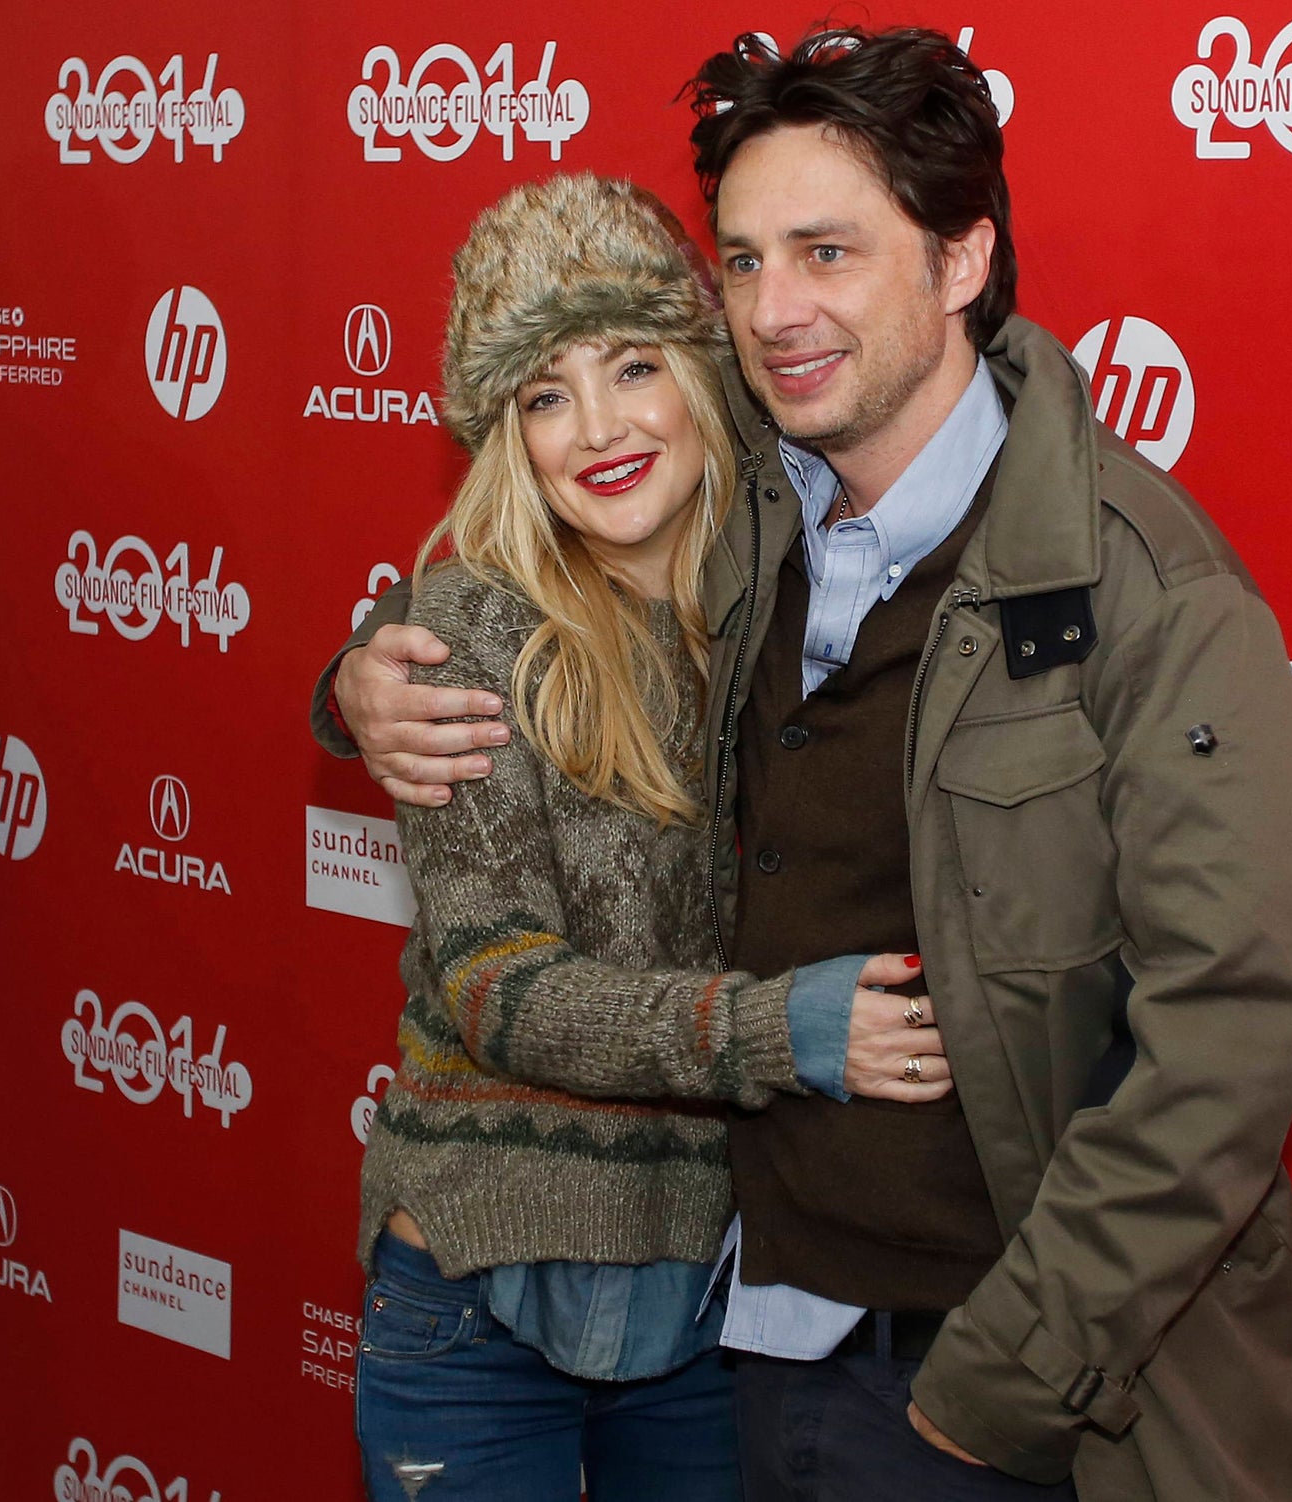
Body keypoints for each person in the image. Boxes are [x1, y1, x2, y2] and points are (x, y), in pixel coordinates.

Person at [318, 28, 1292, 1502]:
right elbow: (518, 572)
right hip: (740, 1358)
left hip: (994, 1395)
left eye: (825, 251)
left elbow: (1229, 1032)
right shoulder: (759, 514)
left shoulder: (1142, 588)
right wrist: (363, 676)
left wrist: (1000, 1380)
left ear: (961, 258)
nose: (776, 310)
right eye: (740, 262)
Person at [352, 173, 959, 1502]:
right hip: (476, 1289)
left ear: (705, 373)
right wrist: (779, 1030)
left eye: (633, 365)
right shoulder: (471, 627)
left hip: (711, 1298)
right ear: (506, 436)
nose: (600, 428)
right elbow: (494, 984)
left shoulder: (791, 611)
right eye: (544, 393)